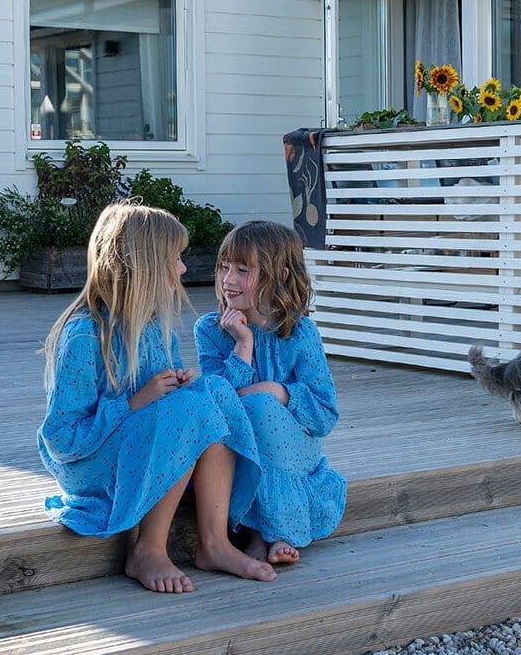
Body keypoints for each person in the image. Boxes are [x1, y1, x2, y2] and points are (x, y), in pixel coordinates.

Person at [38, 202, 275, 593]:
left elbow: (189, 403)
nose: (183, 268)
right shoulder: (84, 336)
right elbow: (62, 438)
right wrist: (136, 402)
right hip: (90, 464)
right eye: (174, 258)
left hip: (139, 442)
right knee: (190, 409)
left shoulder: (154, 326)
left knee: (210, 392)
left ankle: (214, 543)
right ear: (143, 265)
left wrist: (221, 360)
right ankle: (147, 549)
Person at [195, 219, 345, 565]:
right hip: (238, 448)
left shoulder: (301, 333)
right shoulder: (210, 330)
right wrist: (243, 345)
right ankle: (261, 534)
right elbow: (219, 401)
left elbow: (324, 415)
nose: (228, 280)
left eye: (243, 270)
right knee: (251, 409)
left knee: (262, 405)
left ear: (283, 275)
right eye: (224, 267)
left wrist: (278, 390)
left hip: (292, 448)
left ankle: (269, 533)